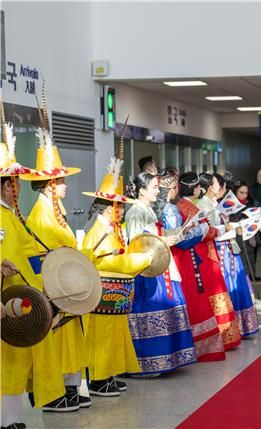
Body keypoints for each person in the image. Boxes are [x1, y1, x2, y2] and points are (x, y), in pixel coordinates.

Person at [0, 129, 67, 425]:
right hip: (7, 300)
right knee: (7, 364)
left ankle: (10, 419)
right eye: (13, 183)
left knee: (14, 362)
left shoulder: (13, 216)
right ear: (4, 186)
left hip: (19, 300)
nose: (18, 188)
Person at [22, 127, 91, 411]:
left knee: (67, 339)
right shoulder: (41, 215)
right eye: (62, 181)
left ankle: (69, 386)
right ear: (50, 185)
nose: (66, 186)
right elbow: (43, 256)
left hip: (66, 284)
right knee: (54, 340)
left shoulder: (57, 211)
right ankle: (51, 391)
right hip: (54, 287)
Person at [81, 153, 154, 396]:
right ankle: (99, 378)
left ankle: (108, 374)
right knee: (102, 338)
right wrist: (142, 260)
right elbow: (111, 262)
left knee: (113, 337)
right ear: (109, 209)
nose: (122, 210)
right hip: (103, 293)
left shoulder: (111, 229)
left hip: (113, 295)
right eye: (119, 206)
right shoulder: (98, 232)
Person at [125, 172, 197, 375]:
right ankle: (149, 362)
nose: (158, 190)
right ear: (141, 190)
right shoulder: (136, 212)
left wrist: (168, 236)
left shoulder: (146, 209)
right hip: (147, 270)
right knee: (150, 312)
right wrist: (164, 241)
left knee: (168, 308)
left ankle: (166, 359)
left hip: (159, 264)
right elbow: (137, 244)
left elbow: (152, 236)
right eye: (154, 187)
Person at [165, 171, 227, 361]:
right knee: (193, 298)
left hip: (189, 254)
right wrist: (205, 230)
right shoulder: (179, 207)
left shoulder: (181, 206)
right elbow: (182, 238)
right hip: (186, 255)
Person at [200, 173, 258, 338]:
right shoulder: (206, 205)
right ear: (211, 187)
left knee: (235, 284)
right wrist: (228, 228)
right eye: (221, 186)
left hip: (228, 249)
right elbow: (210, 232)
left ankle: (239, 326)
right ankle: (229, 327)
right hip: (220, 250)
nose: (223, 189)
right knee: (228, 286)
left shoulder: (215, 204)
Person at [230, 180, 257, 281]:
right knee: (239, 259)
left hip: (249, 236)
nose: (244, 195)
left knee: (250, 257)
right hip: (236, 237)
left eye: (246, 193)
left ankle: (249, 277)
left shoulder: (250, 204)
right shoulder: (230, 205)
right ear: (235, 192)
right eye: (241, 192)